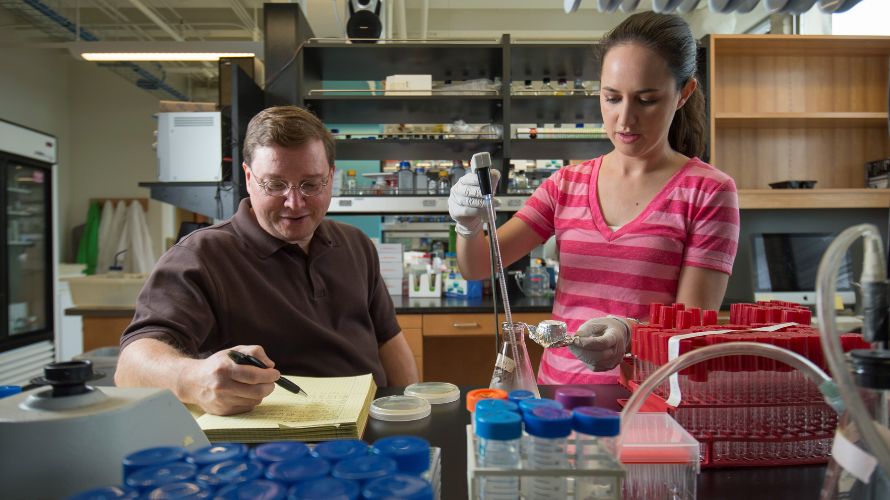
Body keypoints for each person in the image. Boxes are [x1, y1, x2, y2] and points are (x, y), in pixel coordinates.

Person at [449, 12, 740, 385]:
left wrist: (629, 331)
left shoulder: (708, 191)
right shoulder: (567, 184)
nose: (624, 119)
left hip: (647, 401)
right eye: (612, 97)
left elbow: (693, 324)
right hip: (557, 399)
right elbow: (476, 266)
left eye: (647, 100)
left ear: (683, 93)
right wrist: (468, 225)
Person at [116, 106, 418, 415]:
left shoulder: (355, 244)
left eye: (311, 184)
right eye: (275, 184)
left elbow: (389, 341)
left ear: (331, 177)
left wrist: (412, 415)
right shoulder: (201, 256)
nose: (295, 202)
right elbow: (130, 369)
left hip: (372, 430)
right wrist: (195, 379)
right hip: (274, 448)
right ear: (248, 178)